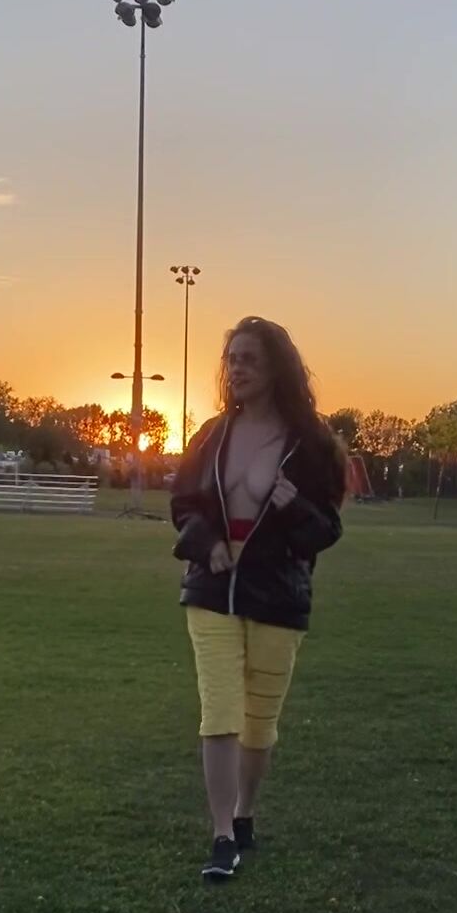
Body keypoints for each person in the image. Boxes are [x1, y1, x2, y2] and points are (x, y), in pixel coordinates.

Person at [170, 316, 347, 881]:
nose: (237, 369)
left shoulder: (311, 444)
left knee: (259, 723)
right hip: (211, 590)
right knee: (220, 712)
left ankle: (245, 813)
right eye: (232, 359)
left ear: (277, 368)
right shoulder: (210, 435)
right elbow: (184, 505)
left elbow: (326, 530)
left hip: (277, 594)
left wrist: (293, 506)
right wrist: (208, 543)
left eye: (250, 359)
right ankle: (222, 835)